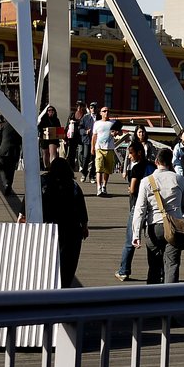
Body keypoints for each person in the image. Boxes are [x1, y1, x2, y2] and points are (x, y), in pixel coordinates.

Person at [132, 147, 184, 284]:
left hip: (154, 226)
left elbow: (140, 209)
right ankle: (170, 297)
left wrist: (136, 234)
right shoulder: (178, 179)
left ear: (156, 161)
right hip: (175, 227)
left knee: (154, 265)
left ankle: (152, 297)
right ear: (170, 162)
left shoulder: (147, 181)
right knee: (172, 265)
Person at [40, 156, 88, 287]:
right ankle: (64, 286)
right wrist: (84, 227)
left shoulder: (42, 183)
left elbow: (30, 199)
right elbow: (81, 209)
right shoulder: (73, 185)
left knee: (48, 259)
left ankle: (49, 283)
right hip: (71, 230)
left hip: (48, 228)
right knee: (68, 262)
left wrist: (23, 215)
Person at [115, 140, 152, 281]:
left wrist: (129, 189)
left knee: (130, 241)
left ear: (139, 153)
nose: (129, 156)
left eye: (131, 153)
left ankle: (124, 271)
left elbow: (133, 189)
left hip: (137, 207)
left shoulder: (137, 169)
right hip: (152, 208)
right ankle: (157, 271)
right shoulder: (152, 166)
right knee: (152, 243)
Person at [92, 106, 118, 196]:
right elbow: (94, 136)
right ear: (101, 113)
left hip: (109, 148)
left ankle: (104, 186)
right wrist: (92, 148)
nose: (106, 112)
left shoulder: (113, 122)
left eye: (108, 111)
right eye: (104, 111)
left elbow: (119, 133)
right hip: (99, 148)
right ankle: (98, 187)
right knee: (99, 168)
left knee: (107, 170)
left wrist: (116, 133)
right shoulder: (97, 123)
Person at [0, 120, 23, 195]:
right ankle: (9, 184)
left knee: (3, 169)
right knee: (11, 170)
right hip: (14, 151)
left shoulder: (2, 126)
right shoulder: (18, 126)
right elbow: (20, 140)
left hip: (3, 151)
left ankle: (6, 183)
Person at [38, 104, 62, 170]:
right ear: (47, 112)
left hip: (53, 138)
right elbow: (39, 127)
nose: (50, 112)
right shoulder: (43, 119)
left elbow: (59, 128)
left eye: (52, 110)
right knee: (45, 153)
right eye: (49, 110)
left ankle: (52, 167)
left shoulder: (56, 120)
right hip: (44, 138)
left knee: (53, 152)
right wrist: (44, 131)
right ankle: (46, 166)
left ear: (54, 112)